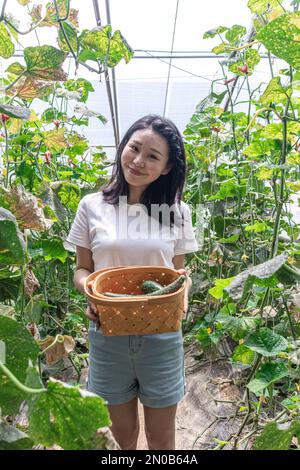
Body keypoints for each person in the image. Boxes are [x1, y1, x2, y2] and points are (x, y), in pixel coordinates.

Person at [66, 114, 199, 450]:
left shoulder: (177, 212)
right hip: (108, 332)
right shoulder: (92, 206)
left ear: (167, 168)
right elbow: (82, 270)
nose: (138, 161)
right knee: (121, 438)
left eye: (153, 156)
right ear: (123, 147)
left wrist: (180, 295)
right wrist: (94, 294)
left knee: (161, 438)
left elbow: (177, 274)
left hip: (161, 336)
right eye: (134, 148)